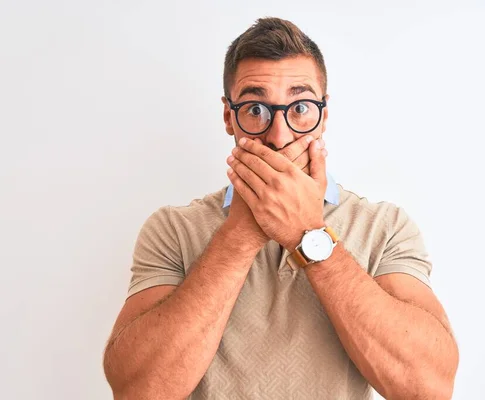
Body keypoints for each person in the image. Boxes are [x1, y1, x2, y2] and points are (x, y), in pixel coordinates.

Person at [103, 17, 459, 400]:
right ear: (229, 117)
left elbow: (428, 388)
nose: (279, 135)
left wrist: (308, 234)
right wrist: (242, 232)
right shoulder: (172, 229)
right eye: (255, 109)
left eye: (300, 106)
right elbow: (138, 391)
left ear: (323, 115)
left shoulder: (384, 227)